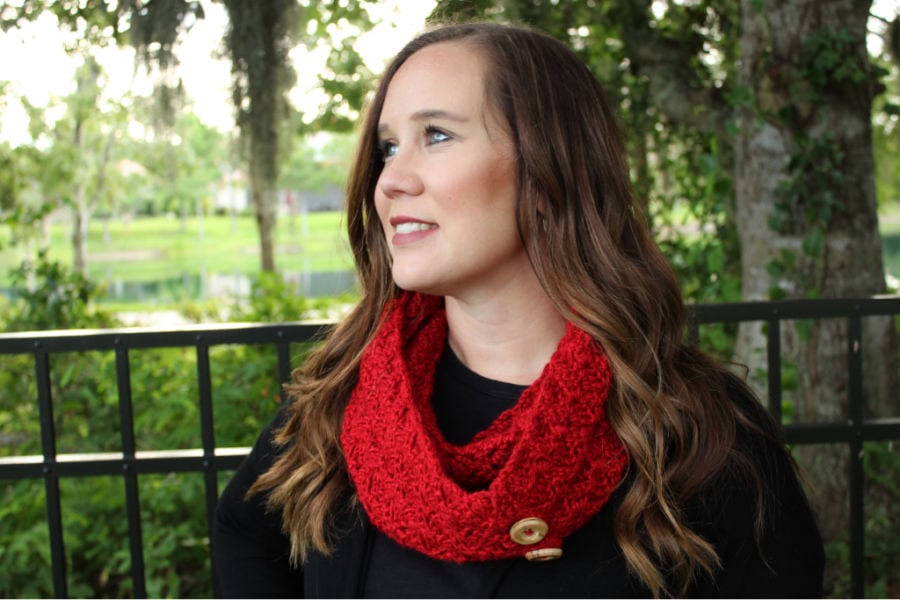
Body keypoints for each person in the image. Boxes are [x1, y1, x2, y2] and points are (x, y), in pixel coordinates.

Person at [213, 22, 824, 598]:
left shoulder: (693, 428)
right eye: (389, 147)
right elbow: (245, 532)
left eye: (438, 135)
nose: (390, 180)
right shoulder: (347, 394)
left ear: (547, 165)